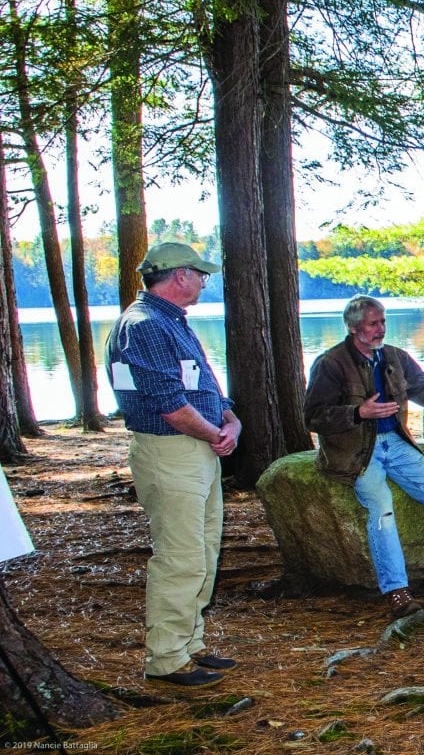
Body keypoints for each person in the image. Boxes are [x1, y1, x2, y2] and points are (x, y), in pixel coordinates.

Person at [305, 295, 424, 618]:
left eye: (382, 322)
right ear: (353, 328)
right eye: (372, 323)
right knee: (382, 508)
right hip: (357, 454)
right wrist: (358, 412)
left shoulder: (394, 357)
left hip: (396, 442)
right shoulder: (331, 363)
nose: (381, 329)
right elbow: (313, 417)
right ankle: (397, 590)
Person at [107, 242, 241, 687]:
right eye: (199, 274)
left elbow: (201, 381)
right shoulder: (143, 325)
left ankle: (191, 644)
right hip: (170, 451)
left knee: (204, 551)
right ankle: (165, 658)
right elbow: (169, 404)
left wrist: (228, 416)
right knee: (181, 557)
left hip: (196, 448)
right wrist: (215, 433)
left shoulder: (170, 322)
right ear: (179, 275)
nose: (204, 281)